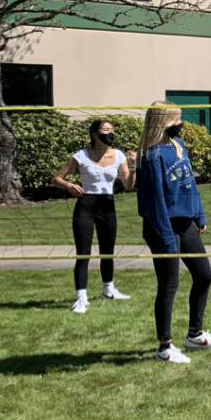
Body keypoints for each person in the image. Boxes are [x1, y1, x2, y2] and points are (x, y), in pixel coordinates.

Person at [137, 102, 211, 363]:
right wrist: (166, 239)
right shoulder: (151, 156)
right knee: (169, 284)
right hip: (161, 226)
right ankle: (165, 347)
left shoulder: (178, 146)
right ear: (163, 122)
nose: (180, 123)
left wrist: (199, 214)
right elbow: (154, 204)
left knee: (204, 275)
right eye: (176, 119)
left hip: (185, 222)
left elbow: (190, 183)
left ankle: (194, 335)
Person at [53, 120, 136, 313]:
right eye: (106, 129)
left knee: (108, 252)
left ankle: (108, 290)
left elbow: (128, 186)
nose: (110, 133)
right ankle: (81, 297)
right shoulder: (81, 155)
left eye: (112, 130)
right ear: (95, 134)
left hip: (107, 205)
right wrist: (69, 185)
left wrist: (133, 166)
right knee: (84, 253)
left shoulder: (119, 155)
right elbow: (56, 178)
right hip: (85, 205)